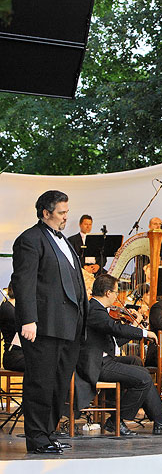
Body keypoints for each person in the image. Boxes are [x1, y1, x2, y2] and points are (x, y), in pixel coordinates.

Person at [11, 190, 89, 454]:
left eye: (67, 211)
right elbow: (24, 283)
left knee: (58, 382)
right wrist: (28, 319)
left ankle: (48, 432)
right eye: (62, 212)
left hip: (69, 325)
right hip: (43, 325)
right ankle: (36, 437)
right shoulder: (29, 240)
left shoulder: (64, 241)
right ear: (46, 213)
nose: (67, 217)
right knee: (40, 382)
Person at [74, 274, 162, 436]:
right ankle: (116, 419)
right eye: (116, 292)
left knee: (136, 362)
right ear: (108, 293)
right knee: (144, 378)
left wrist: (133, 325)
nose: (117, 296)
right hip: (96, 364)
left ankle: (158, 420)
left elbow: (114, 340)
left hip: (104, 358)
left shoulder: (99, 310)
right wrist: (144, 333)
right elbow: (115, 328)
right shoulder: (94, 310)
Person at [0, 283, 24, 371]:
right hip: (14, 356)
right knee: (45, 363)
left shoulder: (17, 308)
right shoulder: (8, 309)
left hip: (22, 354)